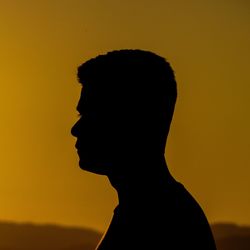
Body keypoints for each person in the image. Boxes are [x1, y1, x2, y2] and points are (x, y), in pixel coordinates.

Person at [71, 49, 217, 249]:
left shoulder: (161, 222)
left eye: (90, 115)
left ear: (132, 119)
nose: (75, 129)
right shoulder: (148, 211)